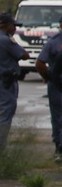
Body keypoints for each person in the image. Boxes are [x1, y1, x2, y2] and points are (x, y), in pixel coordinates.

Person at [0, 12, 31, 151]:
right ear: (7, 26)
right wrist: (13, 39)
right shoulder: (6, 39)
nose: (15, 29)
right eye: (13, 26)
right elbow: (24, 55)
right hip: (5, 83)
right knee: (4, 116)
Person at [35, 16, 62, 163]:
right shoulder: (54, 42)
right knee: (58, 117)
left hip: (56, 83)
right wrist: (48, 77)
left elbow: (39, 63)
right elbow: (39, 63)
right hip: (57, 84)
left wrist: (47, 76)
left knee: (58, 117)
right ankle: (59, 148)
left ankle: (59, 149)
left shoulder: (54, 41)